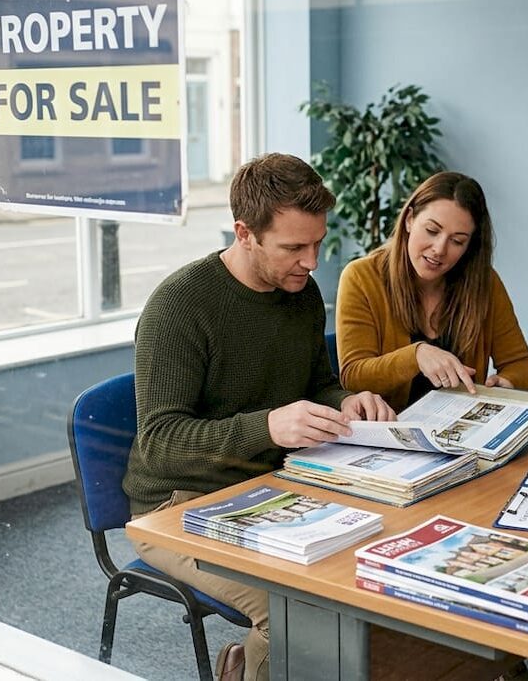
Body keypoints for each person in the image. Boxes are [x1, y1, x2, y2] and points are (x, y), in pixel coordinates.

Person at [123, 152, 395, 681]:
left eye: (317, 243)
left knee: (373, 571)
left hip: (272, 485)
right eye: (294, 247)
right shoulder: (180, 305)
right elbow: (159, 440)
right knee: (294, 610)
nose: (312, 261)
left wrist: (345, 399)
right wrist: (268, 425)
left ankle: (249, 667)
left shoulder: (302, 293)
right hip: (176, 506)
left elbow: (316, 380)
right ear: (244, 233)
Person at [335, 171, 528, 411]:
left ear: (469, 246)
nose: (439, 249)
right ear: (409, 219)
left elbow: (522, 363)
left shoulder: (485, 283)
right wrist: (417, 356)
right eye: (432, 230)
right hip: (390, 433)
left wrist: (507, 384)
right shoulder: (362, 276)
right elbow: (354, 376)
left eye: (457, 241)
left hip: (462, 433)